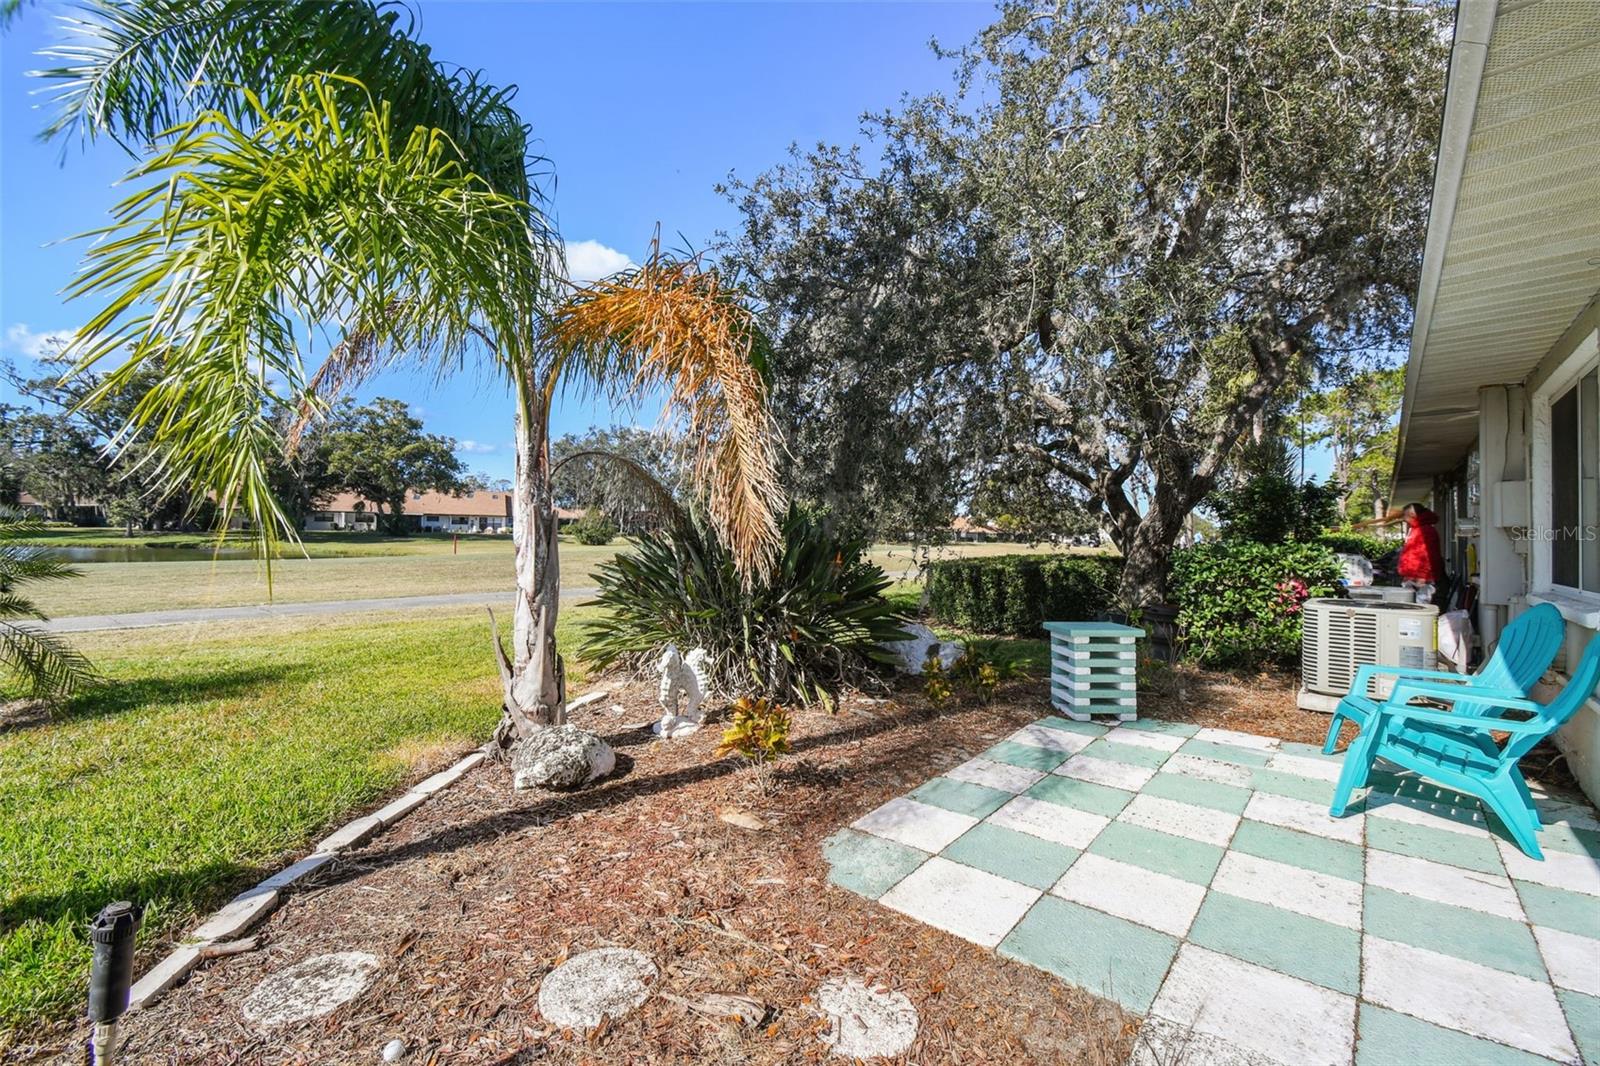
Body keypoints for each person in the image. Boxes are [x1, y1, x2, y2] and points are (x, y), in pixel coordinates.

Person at [1397, 502, 1445, 605]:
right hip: (1412, 577)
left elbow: (1429, 556)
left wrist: (1423, 576)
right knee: (1410, 606)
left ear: (1412, 515)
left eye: (1405, 515)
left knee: (1421, 606)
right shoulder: (1416, 529)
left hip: (1421, 579)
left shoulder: (1425, 531)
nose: (1404, 519)